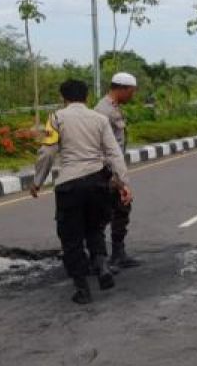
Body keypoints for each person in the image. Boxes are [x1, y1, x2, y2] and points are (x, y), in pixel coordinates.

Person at [31, 79, 133, 304]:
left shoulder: (56, 118)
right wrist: (124, 184)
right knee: (95, 228)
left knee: (71, 238)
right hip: (98, 181)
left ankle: (82, 289)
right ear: (86, 97)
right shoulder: (99, 119)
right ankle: (102, 266)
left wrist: (38, 181)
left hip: (70, 184)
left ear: (63, 98)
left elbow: (47, 153)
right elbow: (114, 153)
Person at [95, 72, 140, 269]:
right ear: (121, 89)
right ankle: (98, 258)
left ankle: (117, 253)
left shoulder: (113, 108)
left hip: (112, 169)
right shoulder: (102, 111)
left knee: (121, 209)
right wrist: (114, 176)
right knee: (104, 213)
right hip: (106, 171)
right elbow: (101, 146)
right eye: (131, 91)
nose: (133, 95)